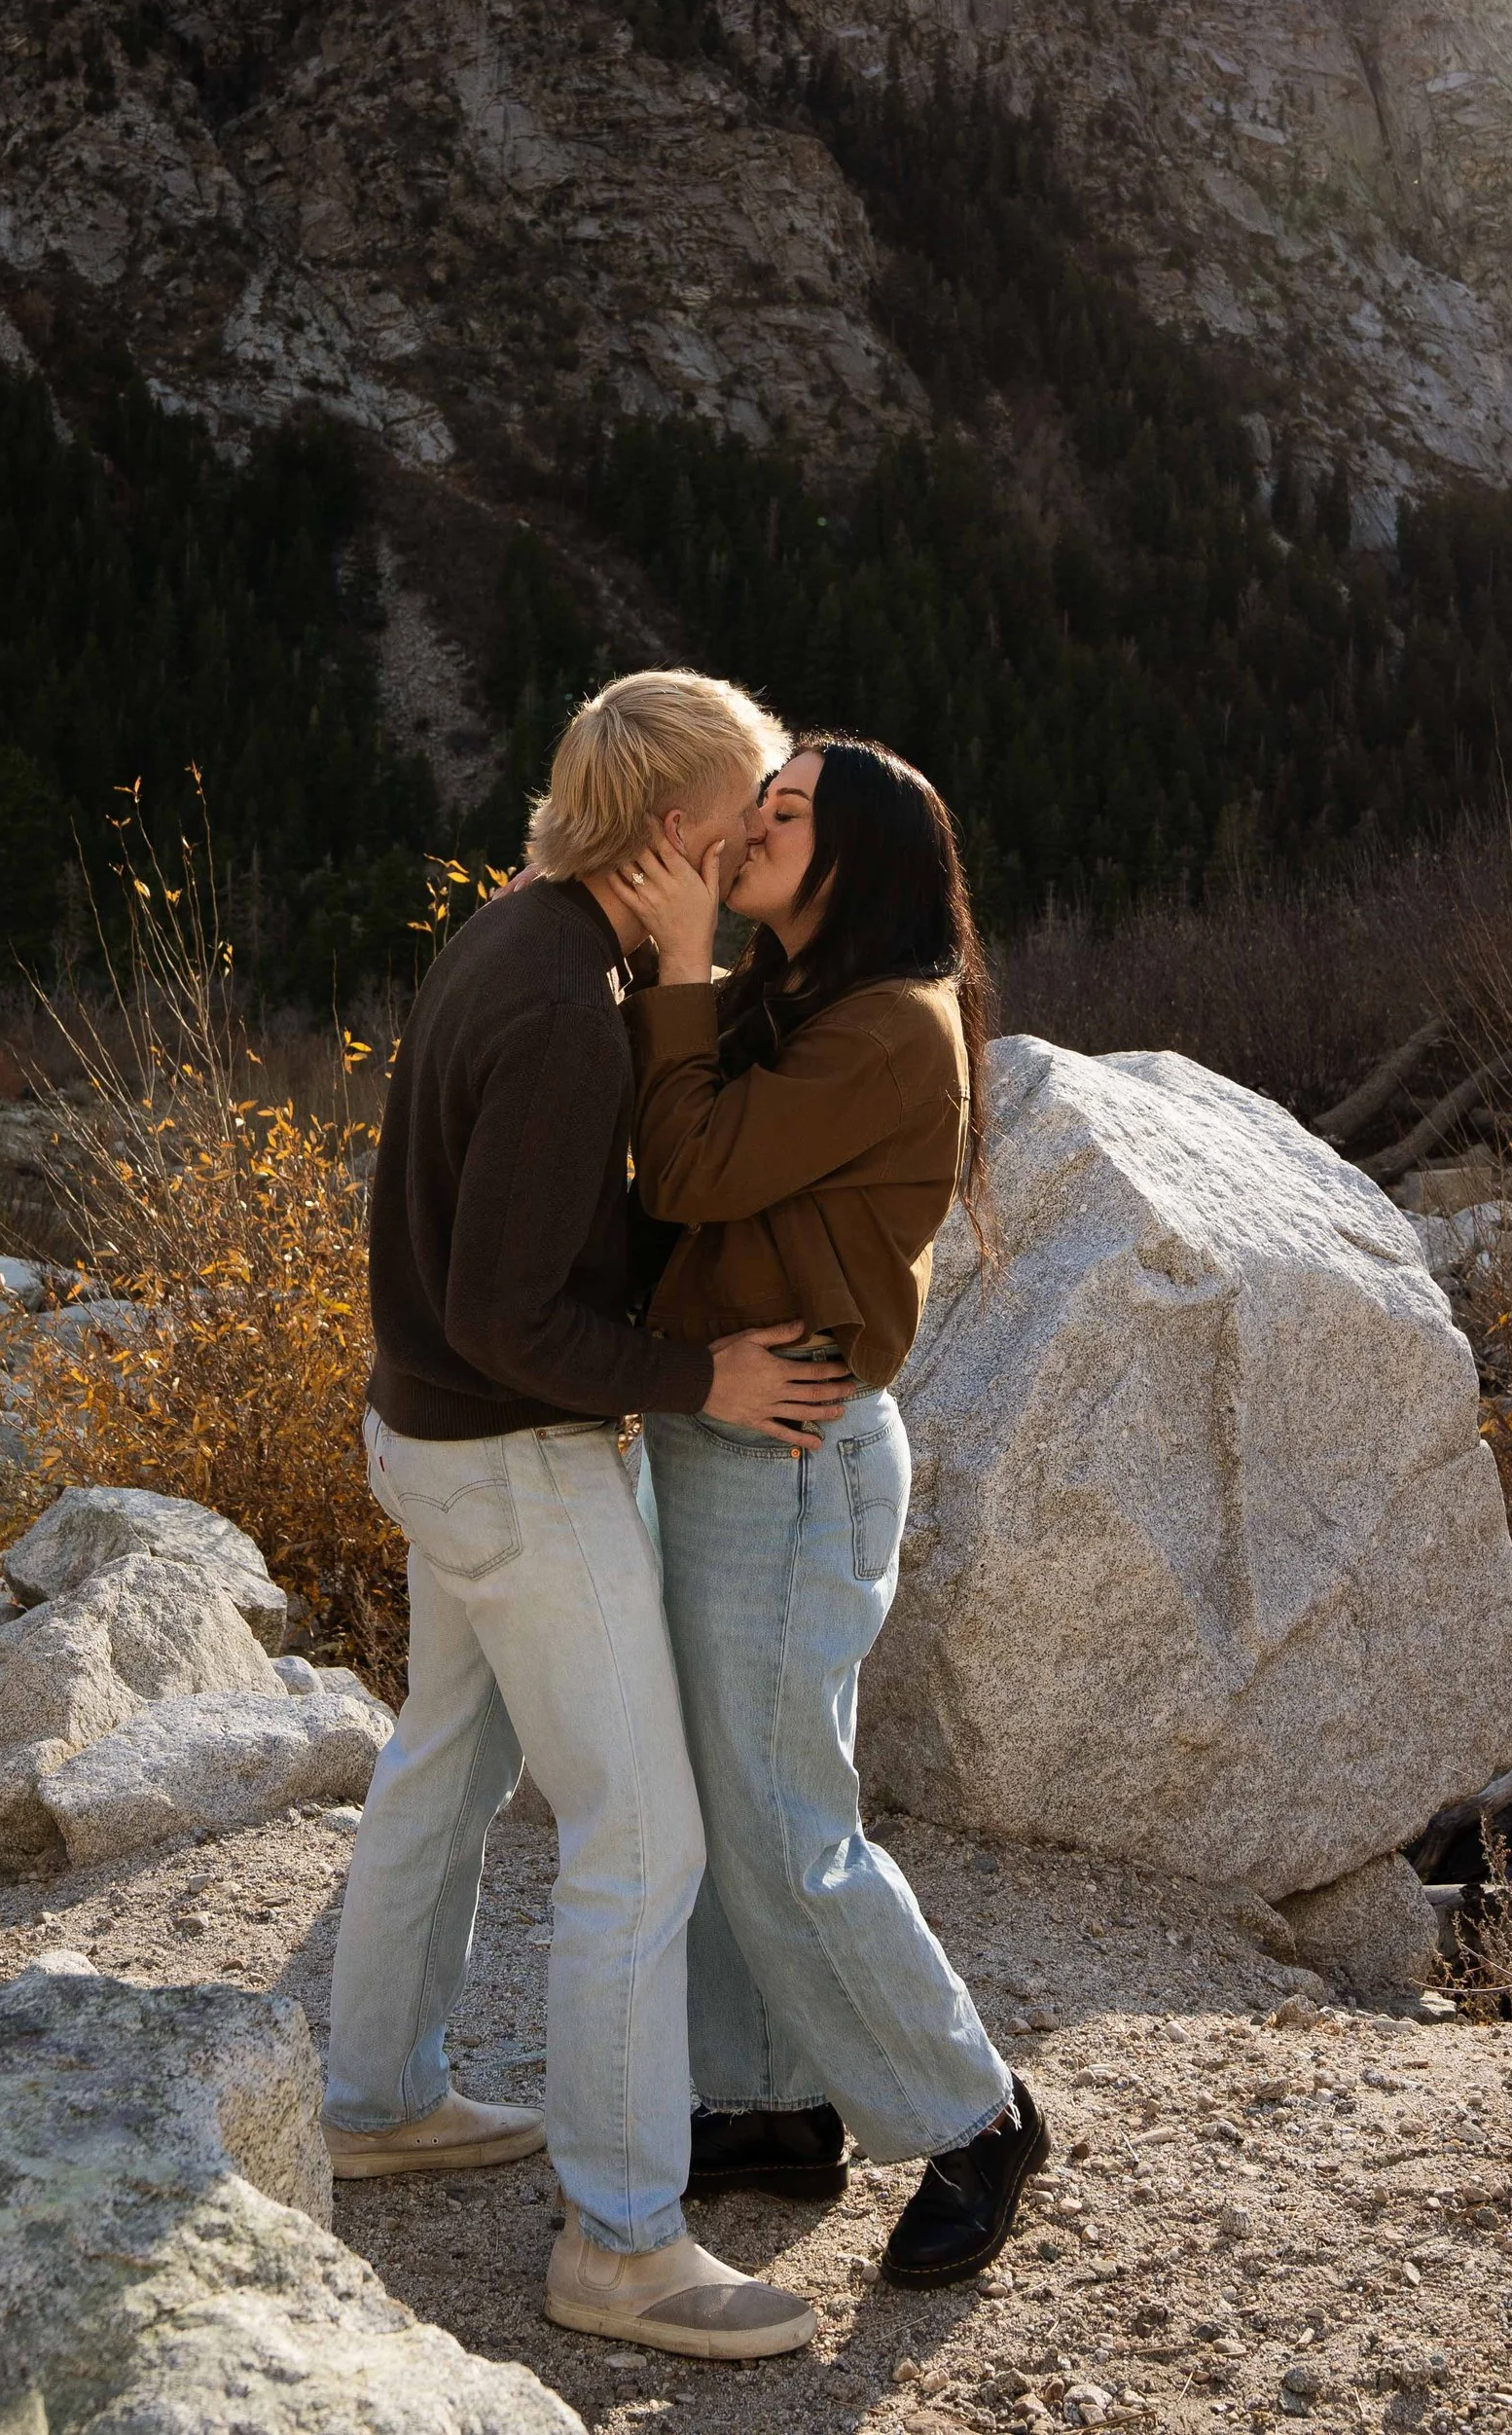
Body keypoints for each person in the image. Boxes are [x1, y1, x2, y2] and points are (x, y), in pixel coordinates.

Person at [323, 670, 856, 2363]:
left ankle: (375, 2096)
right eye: (755, 807)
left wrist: (678, 982)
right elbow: (508, 1307)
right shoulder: (565, 1005)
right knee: (641, 1834)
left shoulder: (529, 932)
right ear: (685, 831)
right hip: (513, 1456)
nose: (770, 827)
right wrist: (703, 1374)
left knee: (448, 1764)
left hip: (427, 1436)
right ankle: (621, 2240)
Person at [619, 738, 1050, 2288]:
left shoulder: (888, 1024)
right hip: (733, 1439)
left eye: (782, 812)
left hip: (794, 1457)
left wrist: (677, 956)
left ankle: (977, 2112)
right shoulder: (802, 998)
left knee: (791, 1818)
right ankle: (768, 2099)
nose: (748, 827)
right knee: (736, 1791)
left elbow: (687, 1162)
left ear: (855, 856)